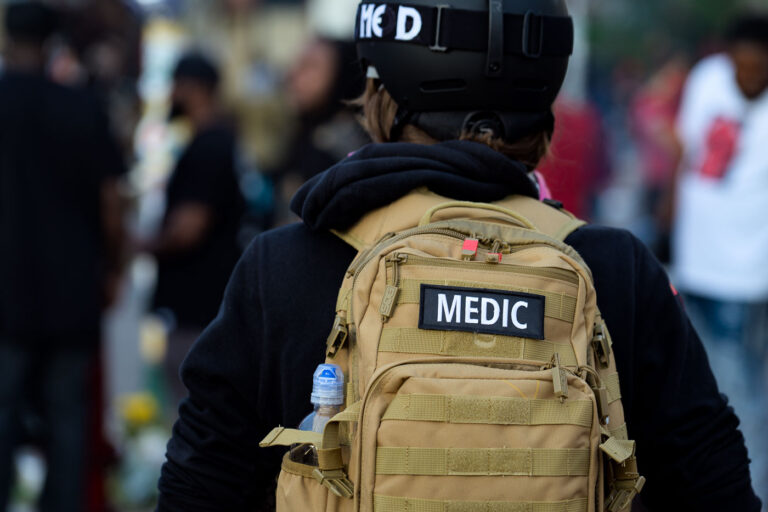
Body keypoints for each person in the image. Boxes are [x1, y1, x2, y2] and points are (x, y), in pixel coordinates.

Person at [157, 1, 762, 510]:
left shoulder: (284, 265)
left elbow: (196, 487)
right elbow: (717, 486)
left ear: (380, 92)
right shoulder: (615, 269)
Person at [0, 3, 126, 511]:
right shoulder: (82, 106)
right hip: (72, 290)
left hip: (4, 295)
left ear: (8, 39)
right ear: (54, 44)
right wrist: (114, 267)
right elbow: (111, 202)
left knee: (1, 416)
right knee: (68, 421)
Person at [672, 13, 768, 503]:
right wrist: (667, 223)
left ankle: (750, 495)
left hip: (747, 275)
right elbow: (684, 153)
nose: (748, 75)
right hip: (696, 260)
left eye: (759, 67)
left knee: (742, 395)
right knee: (702, 389)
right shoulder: (707, 79)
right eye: (742, 64)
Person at [141, 52, 245, 411]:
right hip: (205, 307)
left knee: (190, 412)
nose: (171, 95)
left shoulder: (210, 145)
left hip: (198, 311)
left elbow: (189, 229)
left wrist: (137, 245)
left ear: (194, 89)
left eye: (176, 86)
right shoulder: (219, 140)